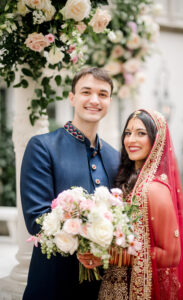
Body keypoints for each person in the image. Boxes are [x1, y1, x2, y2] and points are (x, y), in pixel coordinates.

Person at [20, 67, 120, 300]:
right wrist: (87, 242)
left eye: (103, 94)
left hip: (100, 290)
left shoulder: (116, 157)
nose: (95, 100)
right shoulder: (43, 147)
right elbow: (37, 220)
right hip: (52, 284)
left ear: (110, 101)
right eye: (86, 92)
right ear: (72, 97)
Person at [97, 109, 183, 300]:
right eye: (128, 133)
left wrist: (113, 254)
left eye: (141, 133)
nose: (131, 140)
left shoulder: (154, 189)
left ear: (156, 140)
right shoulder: (129, 181)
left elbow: (171, 255)